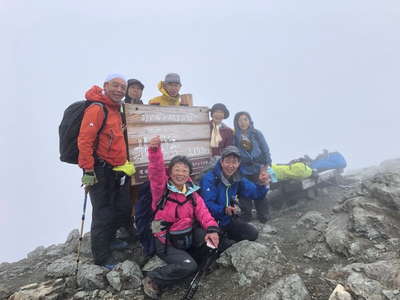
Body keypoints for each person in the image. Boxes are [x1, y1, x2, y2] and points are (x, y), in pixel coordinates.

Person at [142, 136, 220, 299]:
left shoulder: (192, 193)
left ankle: (196, 261)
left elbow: (203, 213)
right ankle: (154, 278)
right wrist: (154, 152)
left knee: (214, 243)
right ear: (170, 172)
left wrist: (212, 229)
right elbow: (156, 173)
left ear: (189, 174)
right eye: (177, 169)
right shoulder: (161, 191)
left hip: (187, 235)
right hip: (165, 240)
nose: (181, 173)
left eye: (185, 170)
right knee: (188, 267)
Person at [78, 74, 134, 269]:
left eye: (122, 87)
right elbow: (84, 141)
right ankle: (101, 257)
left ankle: (110, 240)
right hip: (99, 170)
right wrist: (87, 171)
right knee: (102, 212)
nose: (119, 90)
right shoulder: (97, 108)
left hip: (116, 169)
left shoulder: (115, 109)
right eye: (115, 86)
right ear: (105, 86)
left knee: (116, 208)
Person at [200, 146, 269, 246]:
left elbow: (255, 193)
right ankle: (222, 240)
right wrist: (223, 209)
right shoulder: (209, 178)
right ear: (221, 162)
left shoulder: (238, 178)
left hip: (228, 220)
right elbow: (206, 204)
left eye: (234, 162)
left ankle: (225, 237)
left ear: (239, 164)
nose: (231, 166)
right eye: (227, 161)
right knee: (219, 247)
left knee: (252, 234)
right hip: (211, 223)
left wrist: (262, 184)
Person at [233, 111, 272, 223]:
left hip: (258, 168)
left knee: (261, 191)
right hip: (243, 169)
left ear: (250, 121)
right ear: (237, 122)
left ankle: (264, 216)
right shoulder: (235, 137)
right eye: (240, 120)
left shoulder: (256, 133)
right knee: (244, 194)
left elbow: (265, 149)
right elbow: (234, 152)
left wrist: (266, 166)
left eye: (245, 119)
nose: (243, 122)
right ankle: (247, 217)